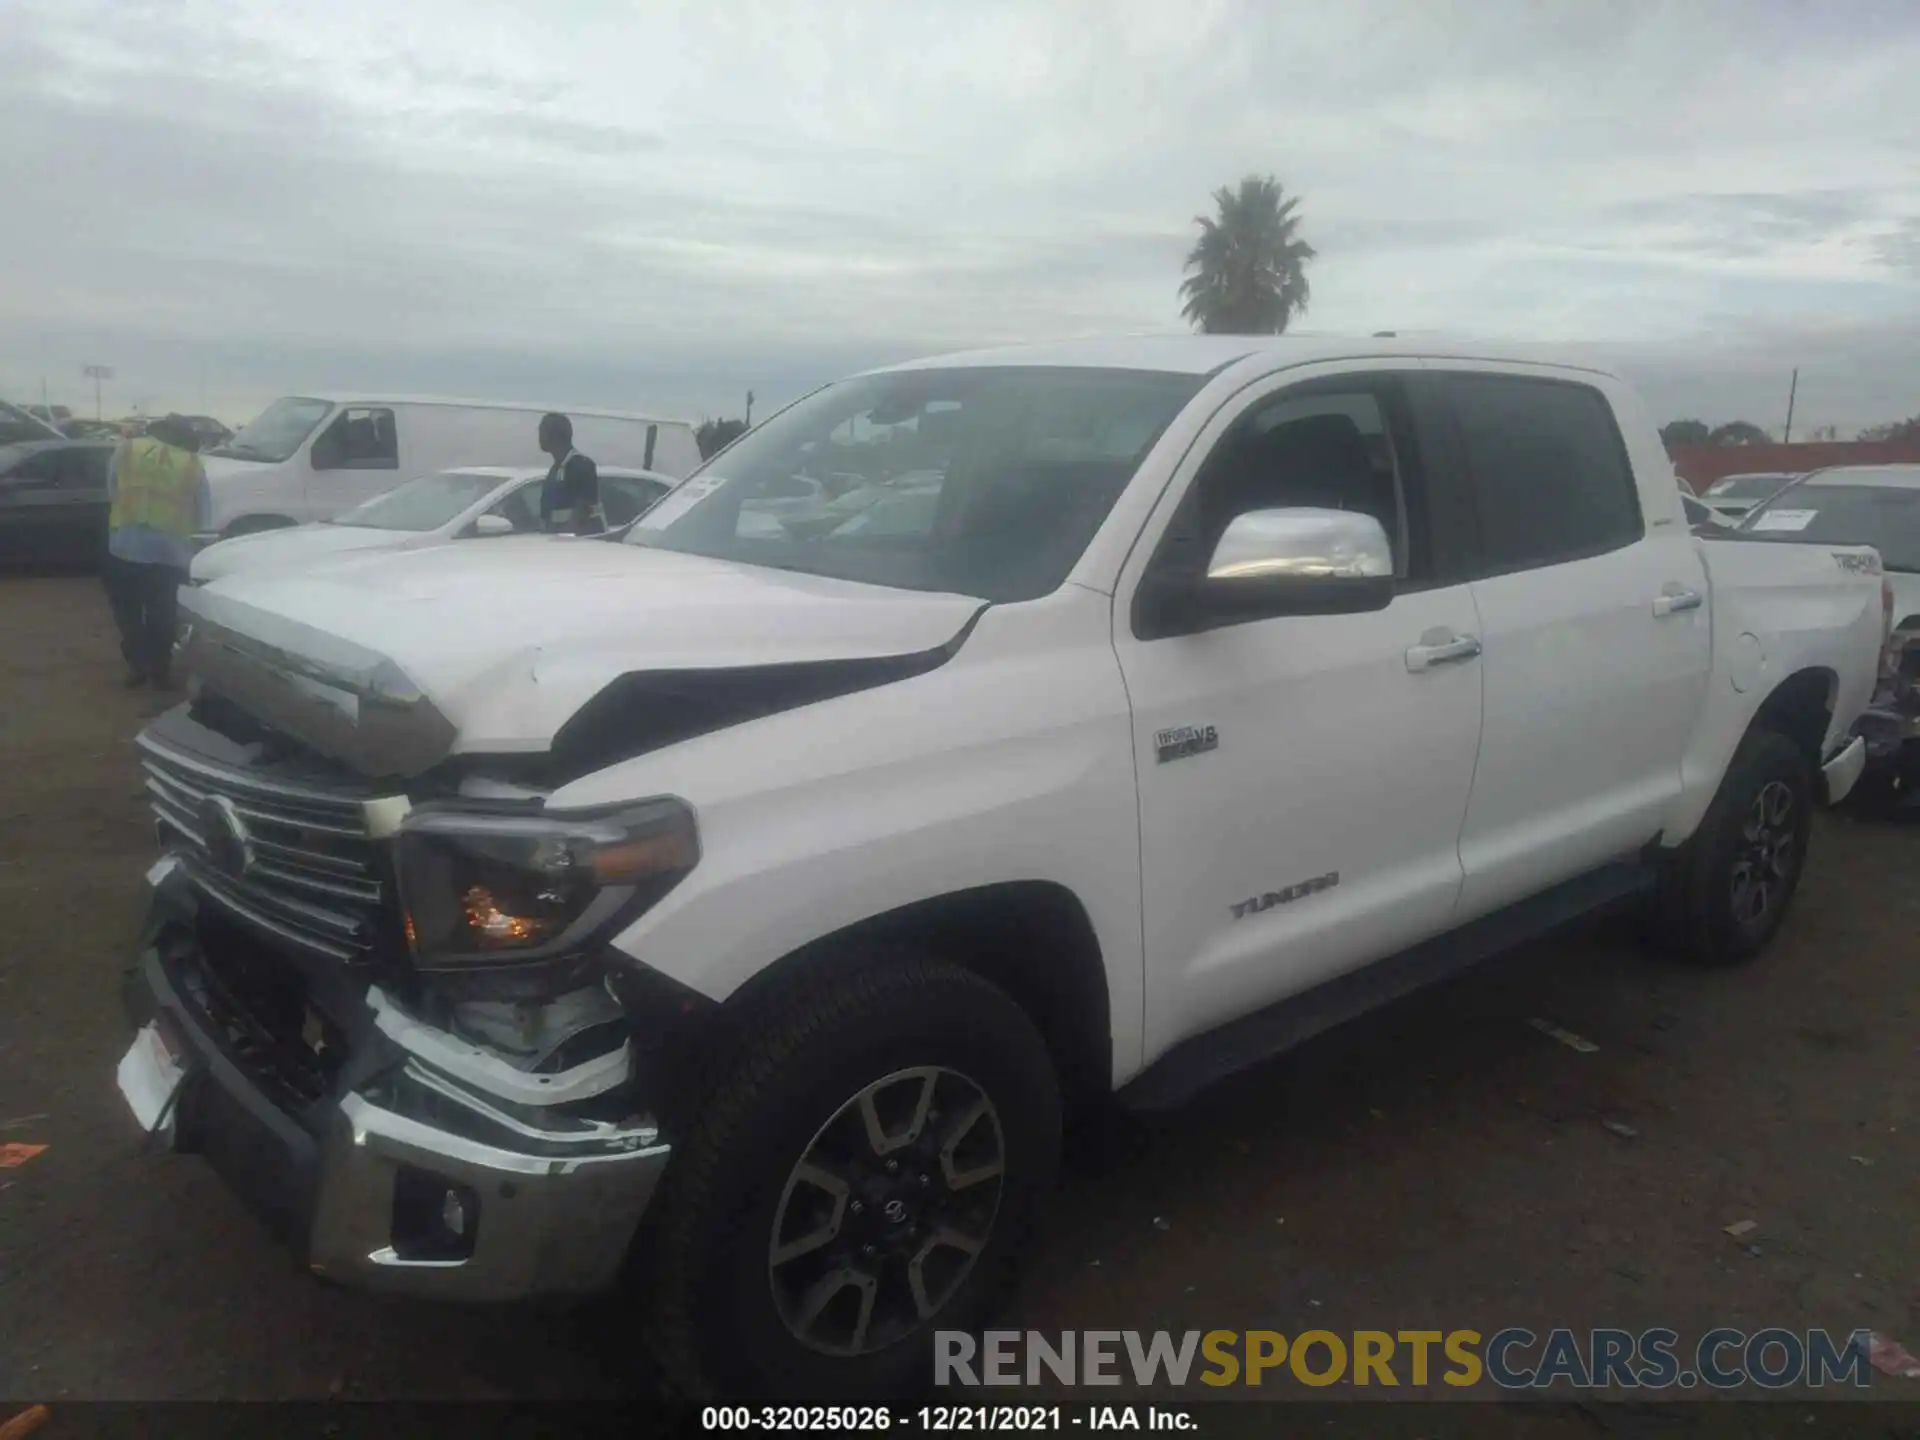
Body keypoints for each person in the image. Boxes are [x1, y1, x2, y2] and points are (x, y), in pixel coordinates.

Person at [104, 414, 211, 689]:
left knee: (127, 611)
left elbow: (112, 490)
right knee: (162, 614)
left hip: (124, 547)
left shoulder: (127, 450)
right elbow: (203, 515)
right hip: (170, 555)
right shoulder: (192, 464)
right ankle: (160, 670)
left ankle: (137, 664)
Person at [537, 412, 605, 535]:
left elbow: (583, 509)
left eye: (542, 432)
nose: (539, 437)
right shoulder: (555, 470)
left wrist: (562, 540)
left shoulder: (582, 465)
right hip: (557, 542)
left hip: (578, 545)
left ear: (555, 436)